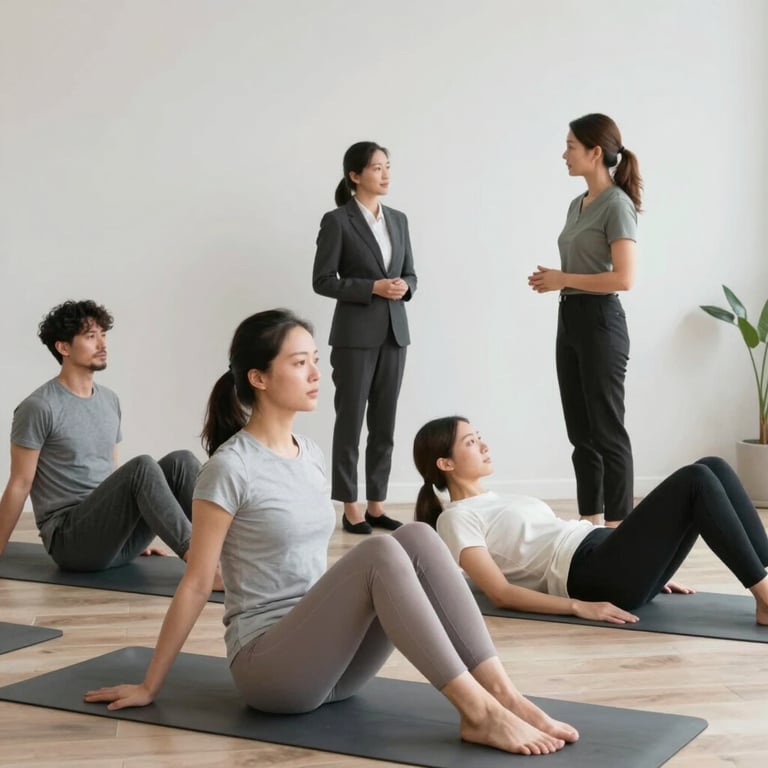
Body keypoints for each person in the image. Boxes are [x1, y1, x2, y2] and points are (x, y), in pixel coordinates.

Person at [85, 310, 578, 757]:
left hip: (334, 666)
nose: (317, 374)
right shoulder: (228, 469)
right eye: (300, 363)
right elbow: (196, 582)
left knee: (418, 539)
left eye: (315, 360)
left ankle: (506, 697)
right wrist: (151, 684)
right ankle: (480, 713)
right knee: (382, 550)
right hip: (272, 672)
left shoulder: (311, 452)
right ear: (258, 377)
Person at [413, 416, 768, 626]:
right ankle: (765, 596)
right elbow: (499, 593)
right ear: (445, 463)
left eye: (480, 438)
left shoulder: (494, 498)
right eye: (472, 443)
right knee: (696, 479)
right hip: (591, 575)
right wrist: (579, 606)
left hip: (607, 554)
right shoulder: (455, 519)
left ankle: (765, 583)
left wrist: (649, 559)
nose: (485, 446)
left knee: (713, 466)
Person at [0, 300, 202, 573]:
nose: (102, 344)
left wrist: (129, 529)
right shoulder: (38, 407)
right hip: (71, 541)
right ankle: (203, 565)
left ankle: (226, 554)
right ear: (63, 347)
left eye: (103, 335)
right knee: (142, 465)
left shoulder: (109, 400)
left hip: (111, 540)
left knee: (182, 461)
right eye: (90, 336)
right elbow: (19, 483)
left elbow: (111, 474)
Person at [528, 114, 643, 526]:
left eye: (571, 146)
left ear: (595, 153)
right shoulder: (578, 203)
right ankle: (590, 527)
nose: (564, 154)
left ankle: (617, 532)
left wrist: (563, 278)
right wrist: (555, 283)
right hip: (571, 317)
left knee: (608, 433)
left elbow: (624, 278)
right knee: (581, 435)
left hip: (601, 323)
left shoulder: (617, 204)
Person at [312, 141, 417, 534]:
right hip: (355, 337)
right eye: (377, 168)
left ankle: (376, 504)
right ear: (355, 175)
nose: (386, 174)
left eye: (388, 166)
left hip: (394, 333)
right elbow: (322, 281)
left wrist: (403, 287)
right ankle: (350, 506)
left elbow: (411, 274)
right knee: (351, 422)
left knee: (384, 424)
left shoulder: (399, 220)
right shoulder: (337, 221)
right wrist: (372, 287)